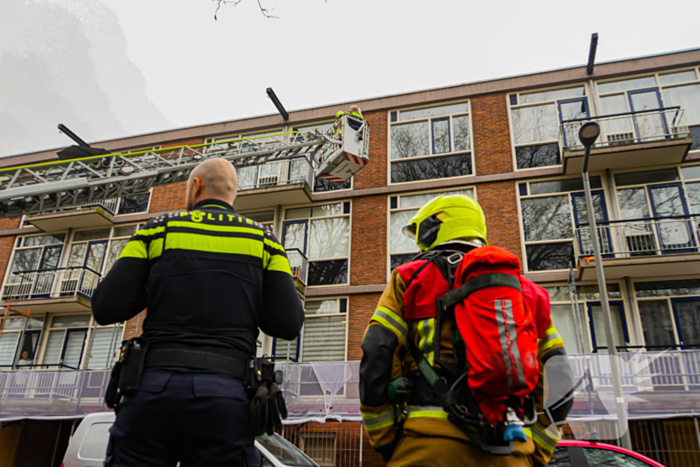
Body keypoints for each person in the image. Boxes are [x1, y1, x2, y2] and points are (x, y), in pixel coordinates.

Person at [92, 157, 305, 467]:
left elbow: (106, 307)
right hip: (226, 395)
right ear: (234, 194)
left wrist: (158, 283)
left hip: (152, 392)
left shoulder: (157, 230)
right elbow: (287, 323)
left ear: (196, 186)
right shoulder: (266, 242)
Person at [359, 194, 574, 467]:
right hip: (512, 452)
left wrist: (385, 440)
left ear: (436, 228)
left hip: (427, 447)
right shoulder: (527, 292)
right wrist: (537, 452)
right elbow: (560, 375)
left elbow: (377, 352)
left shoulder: (409, 277)